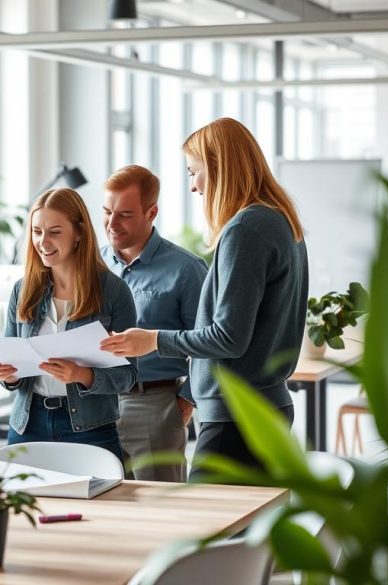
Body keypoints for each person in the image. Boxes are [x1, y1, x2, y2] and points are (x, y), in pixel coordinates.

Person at [101, 118, 308, 482]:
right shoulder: (280, 222)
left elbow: (228, 337)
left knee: (206, 531)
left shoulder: (245, 230)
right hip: (261, 406)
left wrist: (152, 339)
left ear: (219, 167)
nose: (194, 186)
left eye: (194, 171)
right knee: (246, 533)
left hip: (237, 414)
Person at [0, 188, 138, 460]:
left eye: (55, 232)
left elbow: (128, 377)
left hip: (89, 428)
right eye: (36, 231)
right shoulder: (22, 290)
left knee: (93, 503)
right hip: (27, 425)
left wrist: (82, 375)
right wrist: (5, 374)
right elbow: (12, 370)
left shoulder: (114, 292)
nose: (43, 242)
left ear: (79, 232)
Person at [100, 165, 208, 482]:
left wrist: (187, 399)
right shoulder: (93, 264)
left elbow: (208, 343)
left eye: (125, 214)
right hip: (95, 404)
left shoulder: (186, 270)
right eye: (107, 212)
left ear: (152, 212)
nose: (112, 224)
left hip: (154, 407)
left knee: (160, 510)